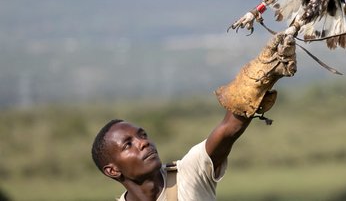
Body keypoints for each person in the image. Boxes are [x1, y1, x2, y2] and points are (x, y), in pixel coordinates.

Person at [91, 33, 297, 201]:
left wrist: (262, 76)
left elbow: (229, 129)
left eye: (142, 135)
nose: (143, 143)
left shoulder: (188, 173)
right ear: (112, 170)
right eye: (128, 145)